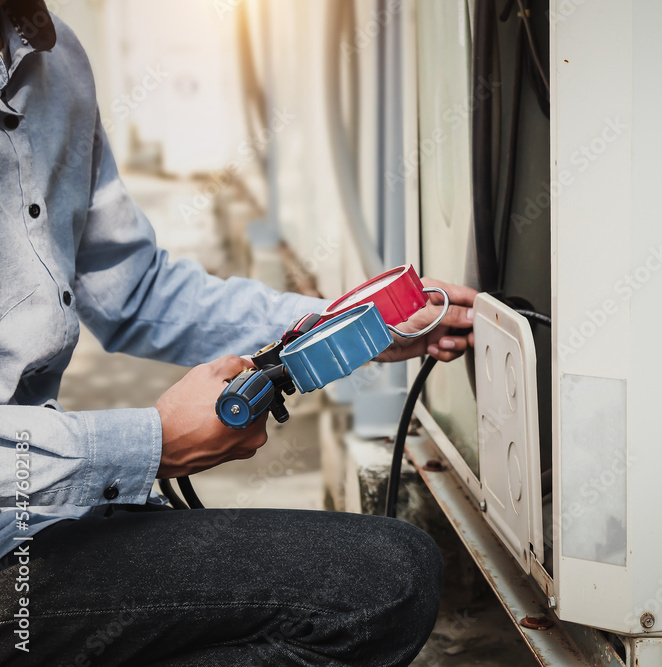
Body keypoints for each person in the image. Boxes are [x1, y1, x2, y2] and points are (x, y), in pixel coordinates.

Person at [0, 3, 476, 664]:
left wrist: (350, 328)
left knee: (389, 575)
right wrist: (152, 444)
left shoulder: (51, 62)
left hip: (30, 518)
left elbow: (134, 288)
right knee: (376, 593)